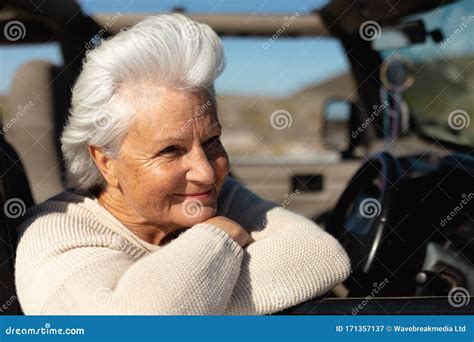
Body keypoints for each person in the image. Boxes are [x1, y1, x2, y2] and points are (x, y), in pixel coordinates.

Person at [15, 14, 350, 315]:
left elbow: (320, 254)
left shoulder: (205, 197)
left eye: (212, 141)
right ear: (105, 161)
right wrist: (221, 233)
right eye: (171, 150)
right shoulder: (53, 235)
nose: (206, 172)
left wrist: (196, 304)